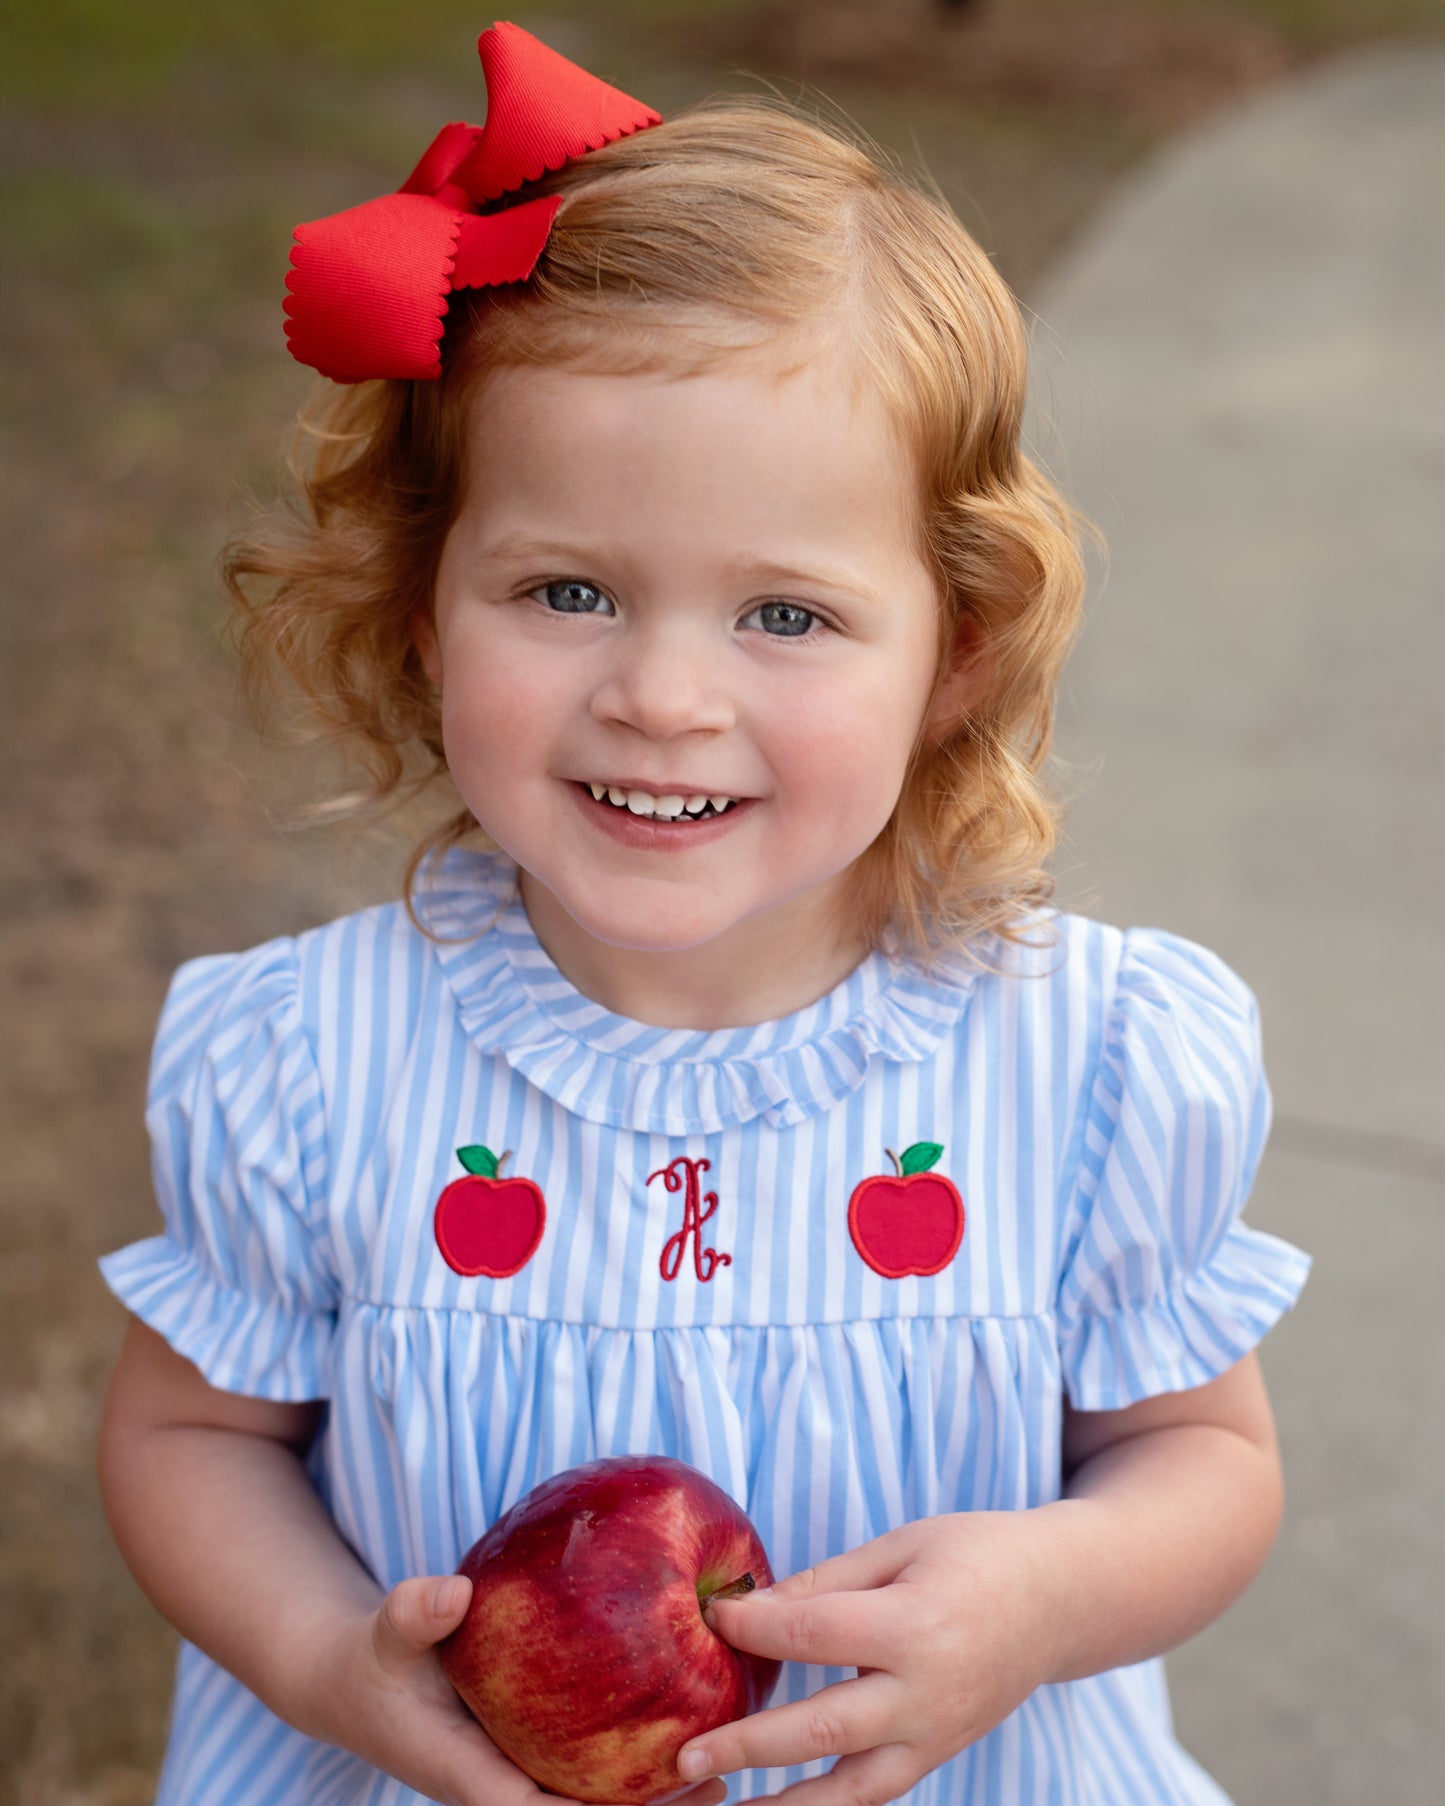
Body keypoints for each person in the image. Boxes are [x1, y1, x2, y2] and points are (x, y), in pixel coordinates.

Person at [96, 23, 1310, 1806]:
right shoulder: (311, 1062)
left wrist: (1042, 1599)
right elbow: (190, 1435)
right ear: (428, 610)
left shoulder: (1087, 1062)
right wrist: (317, 1668)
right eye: (567, 587)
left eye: (786, 616)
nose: (663, 695)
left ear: (953, 653)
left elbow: (1202, 1455)